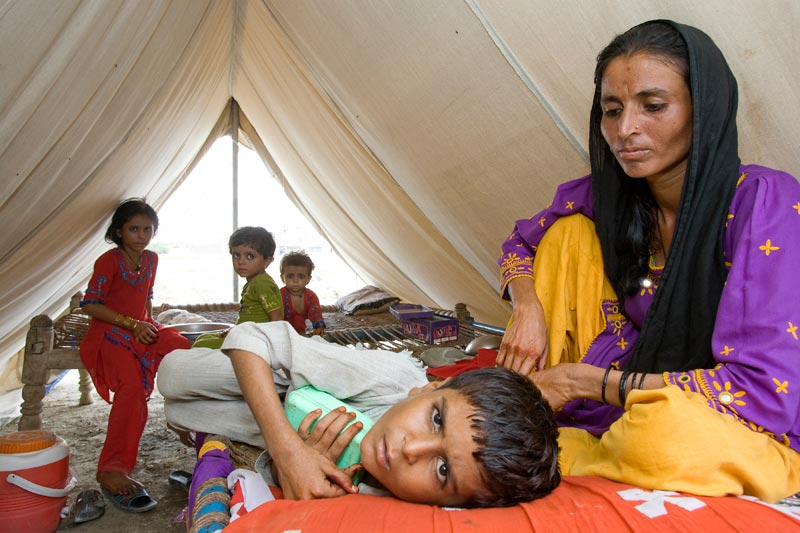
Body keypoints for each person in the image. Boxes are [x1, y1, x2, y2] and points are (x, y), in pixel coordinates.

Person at [496, 20, 800, 503]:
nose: (625, 130)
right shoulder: (613, 196)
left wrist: (583, 381)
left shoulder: (765, 201)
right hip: (632, 383)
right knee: (565, 237)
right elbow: (520, 244)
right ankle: (548, 419)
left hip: (739, 418)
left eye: (653, 106)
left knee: (660, 438)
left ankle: (571, 443)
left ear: (705, 110)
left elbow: (761, 391)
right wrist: (526, 307)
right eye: (611, 110)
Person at [157, 321, 560, 507]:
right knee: (172, 378)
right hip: (275, 379)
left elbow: (285, 476)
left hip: (264, 429)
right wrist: (288, 449)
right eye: (435, 419)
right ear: (431, 389)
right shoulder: (393, 378)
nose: (410, 449)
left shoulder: (385, 496)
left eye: (442, 470)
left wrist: (289, 466)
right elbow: (250, 335)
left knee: (181, 412)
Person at [80, 198, 190, 512]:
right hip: (108, 333)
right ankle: (111, 469)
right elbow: (90, 306)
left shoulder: (152, 259)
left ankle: (185, 425)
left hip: (139, 327)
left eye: (147, 229)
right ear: (119, 231)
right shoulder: (109, 261)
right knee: (130, 390)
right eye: (133, 229)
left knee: (181, 347)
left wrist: (148, 325)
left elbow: (147, 298)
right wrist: (133, 324)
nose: (141, 235)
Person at [192, 226, 283, 349]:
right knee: (202, 337)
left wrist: (271, 346)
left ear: (267, 261)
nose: (241, 262)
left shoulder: (262, 283)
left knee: (200, 345)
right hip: (244, 333)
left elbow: (277, 318)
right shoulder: (253, 281)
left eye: (250, 256)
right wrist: (235, 330)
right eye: (236, 255)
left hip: (254, 339)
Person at [279, 250, 326, 336]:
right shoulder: (279, 295)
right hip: (282, 334)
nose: (295, 280)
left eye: (301, 276)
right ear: (282, 278)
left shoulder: (311, 296)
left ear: (308, 279)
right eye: (290, 276)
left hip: (303, 334)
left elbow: (316, 314)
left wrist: (319, 327)